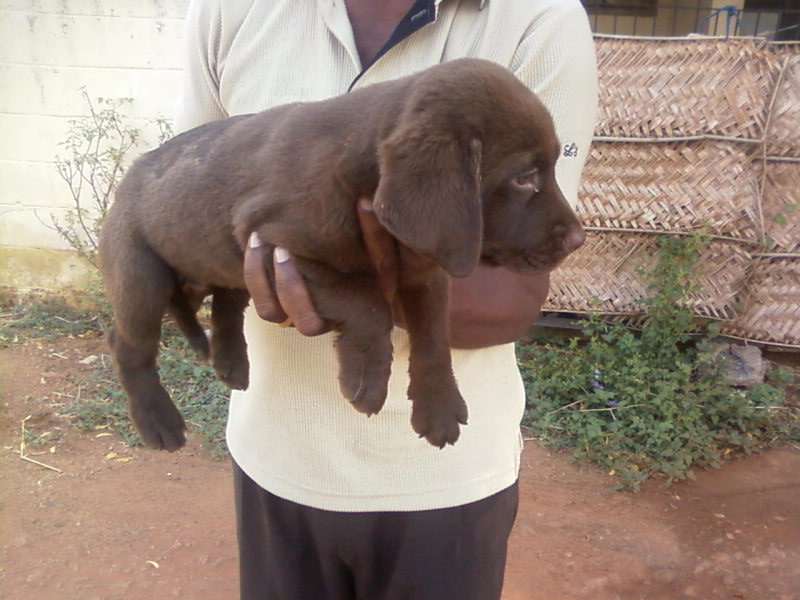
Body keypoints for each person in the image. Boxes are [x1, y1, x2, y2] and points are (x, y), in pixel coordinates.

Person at [175, 1, 597, 598]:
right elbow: (197, 205)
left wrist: (349, 281)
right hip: (274, 454)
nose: (573, 231)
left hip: (440, 478)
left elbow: (511, 298)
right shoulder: (230, 12)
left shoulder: (537, 20)